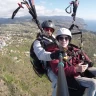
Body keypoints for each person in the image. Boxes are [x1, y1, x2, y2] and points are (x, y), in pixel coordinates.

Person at [47, 27, 96, 96]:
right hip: (71, 77)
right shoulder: (55, 53)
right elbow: (58, 71)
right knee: (93, 83)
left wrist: (87, 64)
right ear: (58, 39)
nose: (64, 40)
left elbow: (87, 59)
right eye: (61, 38)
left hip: (81, 71)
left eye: (66, 38)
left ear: (69, 40)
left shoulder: (72, 49)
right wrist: (76, 69)